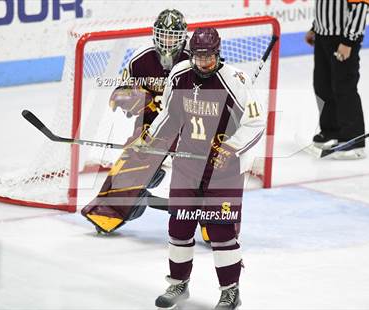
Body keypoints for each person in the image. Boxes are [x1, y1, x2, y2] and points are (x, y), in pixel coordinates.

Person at [146, 27, 265, 309]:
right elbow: (168, 115)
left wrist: (231, 148)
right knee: (179, 227)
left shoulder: (236, 80)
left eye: (208, 57)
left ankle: (230, 291)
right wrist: (151, 140)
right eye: (198, 57)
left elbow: (256, 124)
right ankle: (178, 284)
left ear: (217, 52)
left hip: (223, 170)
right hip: (187, 165)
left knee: (222, 233)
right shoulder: (180, 75)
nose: (203, 63)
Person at [81, 9, 190, 234]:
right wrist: (134, 99)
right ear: (155, 34)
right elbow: (118, 94)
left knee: (206, 171)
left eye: (173, 36)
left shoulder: (193, 59)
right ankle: (108, 212)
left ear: (183, 37)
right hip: (150, 129)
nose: (168, 41)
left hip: (189, 130)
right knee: (131, 160)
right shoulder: (142, 58)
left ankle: (215, 221)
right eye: (163, 35)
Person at [305, 0, 369, 159]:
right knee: (322, 85)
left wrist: (349, 41)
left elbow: (361, 6)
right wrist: (316, 27)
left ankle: (354, 141)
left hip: (342, 39)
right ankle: (332, 130)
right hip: (323, 37)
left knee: (344, 87)